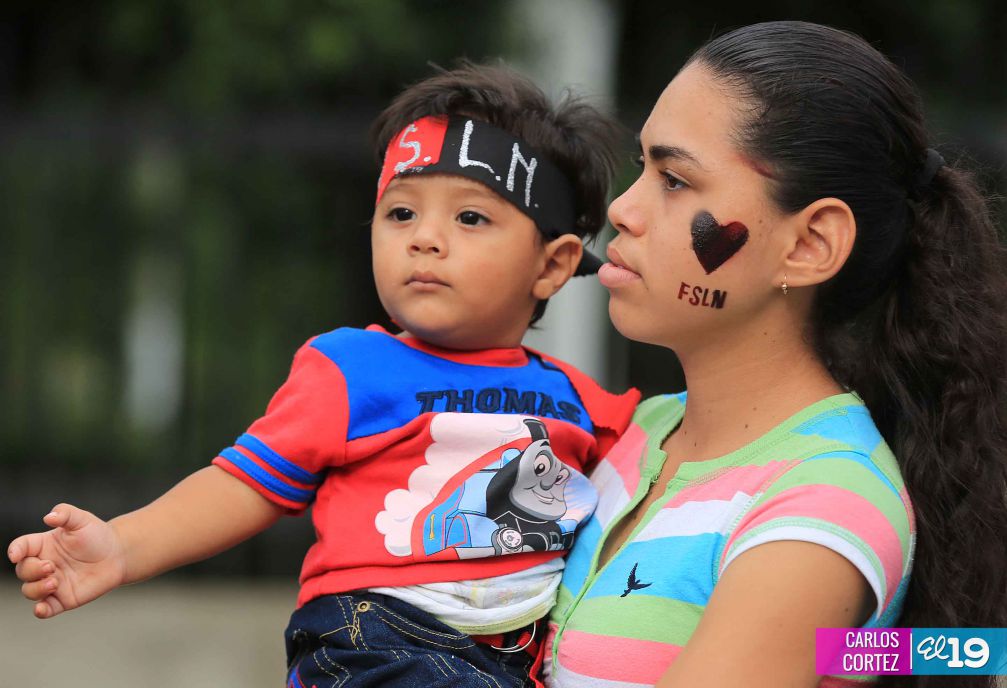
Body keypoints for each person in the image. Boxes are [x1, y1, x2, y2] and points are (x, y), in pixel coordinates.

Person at [7, 62, 640, 688]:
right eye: (400, 214)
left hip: (519, 654)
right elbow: (242, 485)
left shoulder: (581, 402)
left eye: (470, 218)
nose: (425, 239)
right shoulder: (351, 369)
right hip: (378, 637)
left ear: (552, 266)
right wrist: (122, 546)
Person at [544, 21, 1007, 688]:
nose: (622, 208)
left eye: (673, 179)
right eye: (640, 167)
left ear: (808, 245)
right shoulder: (632, 434)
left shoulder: (820, 505)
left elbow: (959, 652)